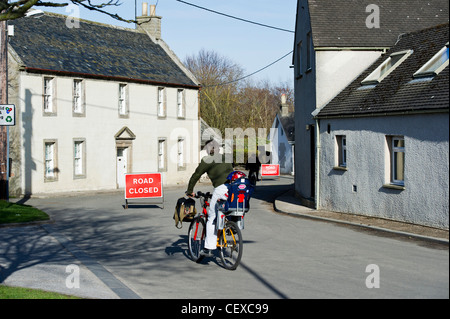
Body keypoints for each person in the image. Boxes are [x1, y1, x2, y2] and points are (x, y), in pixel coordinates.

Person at [186, 139, 233, 257]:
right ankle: (228, 227)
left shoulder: (207, 160)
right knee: (226, 209)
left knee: (212, 216)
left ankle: (209, 247)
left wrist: (190, 190)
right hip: (232, 188)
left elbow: (196, 175)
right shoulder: (225, 157)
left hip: (220, 189)